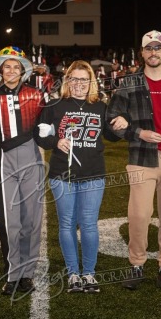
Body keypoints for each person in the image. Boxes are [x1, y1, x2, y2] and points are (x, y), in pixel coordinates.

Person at [107, 30, 161, 292]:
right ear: (142, 53)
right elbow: (111, 117)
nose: (153, 52)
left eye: (158, 48)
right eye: (149, 48)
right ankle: (137, 264)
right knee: (138, 215)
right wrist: (136, 132)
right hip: (141, 157)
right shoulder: (130, 82)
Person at [35, 60, 118, 294]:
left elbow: (113, 136)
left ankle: (89, 273)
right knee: (67, 224)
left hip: (93, 173)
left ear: (91, 82)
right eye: (74, 79)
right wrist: (55, 141)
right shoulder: (54, 105)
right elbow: (39, 134)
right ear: (67, 81)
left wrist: (122, 123)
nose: (79, 84)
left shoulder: (101, 106)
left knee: (89, 224)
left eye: (84, 80)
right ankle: (73, 273)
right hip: (62, 173)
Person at [0, 46, 45, 295]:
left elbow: (46, 129)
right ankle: (13, 274)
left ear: (23, 70)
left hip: (31, 159)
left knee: (32, 220)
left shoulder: (36, 95)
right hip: (4, 161)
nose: (12, 71)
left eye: (17, 66)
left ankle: (27, 274)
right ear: (0, 70)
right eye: (7, 66)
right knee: (9, 223)